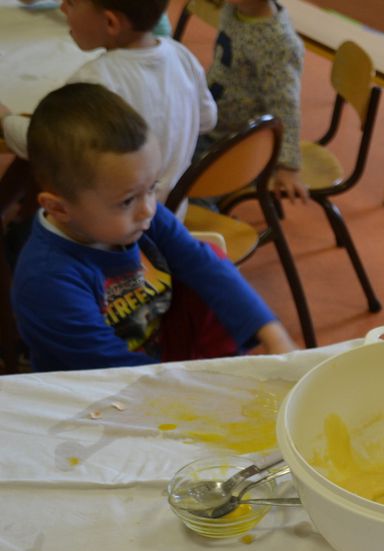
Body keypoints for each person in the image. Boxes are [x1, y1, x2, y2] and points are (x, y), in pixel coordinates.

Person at [11, 83, 296, 372]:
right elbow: (110, 374)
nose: (149, 208)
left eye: (152, 188)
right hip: (101, 392)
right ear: (59, 208)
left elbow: (205, 266)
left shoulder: (140, 216)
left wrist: (272, 333)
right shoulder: (46, 281)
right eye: (126, 201)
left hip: (158, 365)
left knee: (209, 259)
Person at [0, 0, 216, 217]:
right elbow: (208, 120)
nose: (62, 8)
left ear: (111, 22)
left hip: (114, 225)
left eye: (72, 3)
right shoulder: (182, 54)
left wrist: (6, 120)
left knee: (48, 173)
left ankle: (20, 237)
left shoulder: (95, 80)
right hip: (170, 210)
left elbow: (43, 146)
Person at [200, 0, 308, 203]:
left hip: (237, 143)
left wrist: (287, 165)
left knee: (190, 190)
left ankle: (213, 231)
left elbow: (285, 107)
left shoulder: (278, 43)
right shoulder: (233, 9)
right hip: (210, 123)